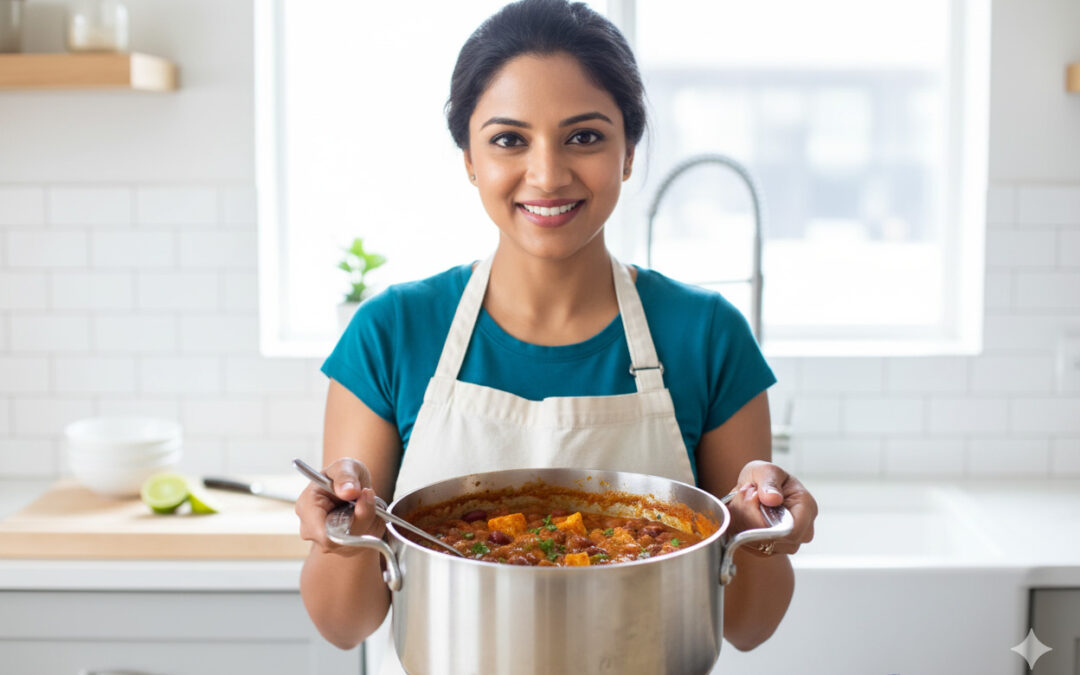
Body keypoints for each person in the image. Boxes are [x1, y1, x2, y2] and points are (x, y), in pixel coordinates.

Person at [296, 0, 818, 671]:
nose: (547, 174)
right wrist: (346, 532)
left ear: (629, 153)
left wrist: (756, 530)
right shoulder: (391, 333)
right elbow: (344, 623)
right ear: (469, 159)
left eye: (584, 137)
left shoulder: (709, 336)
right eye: (509, 139)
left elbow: (748, 624)